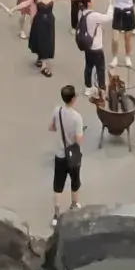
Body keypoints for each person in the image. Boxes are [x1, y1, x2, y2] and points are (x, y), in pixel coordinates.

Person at [50, 83, 86, 213]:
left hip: (59, 154)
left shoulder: (57, 111)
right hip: (73, 156)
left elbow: (51, 127)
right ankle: (74, 204)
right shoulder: (77, 117)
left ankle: (56, 212)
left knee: (58, 185)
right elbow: (78, 139)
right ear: (73, 99)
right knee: (75, 182)